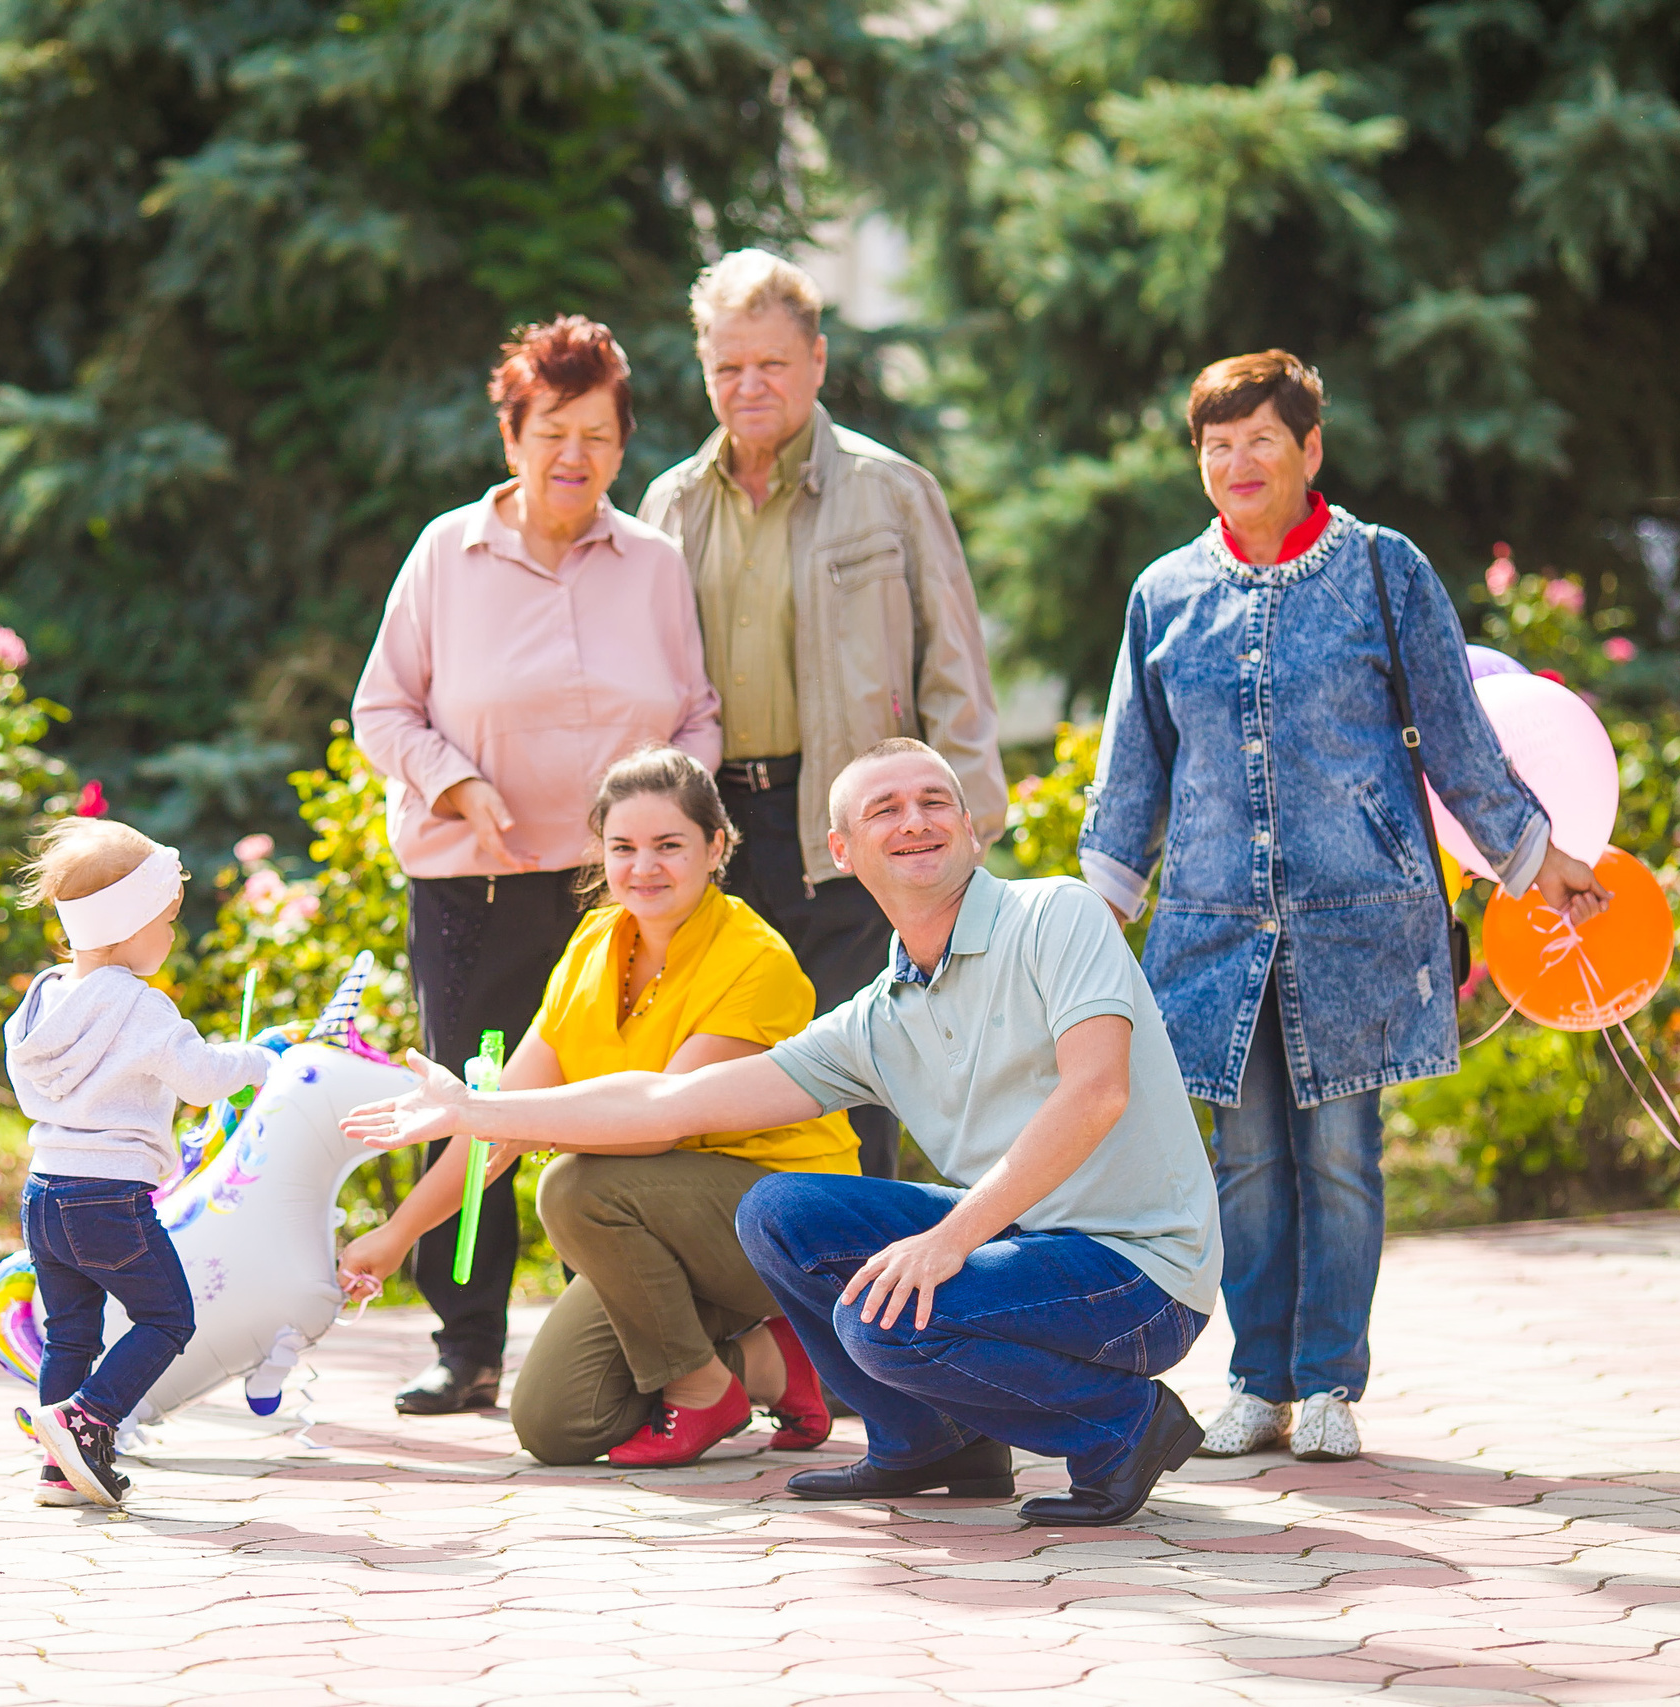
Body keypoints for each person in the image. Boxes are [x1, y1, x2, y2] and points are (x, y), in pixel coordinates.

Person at [345, 741, 1223, 1530]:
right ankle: (927, 1444)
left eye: (934, 800)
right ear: (842, 851)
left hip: (1138, 1275)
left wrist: (948, 1240)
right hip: (1025, 1251)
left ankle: (1123, 1425)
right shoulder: (880, 1018)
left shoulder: (1054, 916)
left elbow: (1098, 1093)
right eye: (884, 809)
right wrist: (476, 1112)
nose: (914, 820)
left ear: (972, 826)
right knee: (778, 1211)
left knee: (881, 1320)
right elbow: (667, 1102)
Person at [1079, 350, 1608, 1465]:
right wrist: (1094, 909)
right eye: (1216, 447)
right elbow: (1134, 769)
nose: (1237, 464)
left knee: (1338, 1159)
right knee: (1246, 1165)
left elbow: (1458, 733)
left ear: (1308, 450)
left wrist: (1535, 857)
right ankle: (1254, 1383)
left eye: (1260, 441)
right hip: (1215, 934)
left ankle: (1328, 1383)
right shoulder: (1164, 594)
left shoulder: (1382, 569)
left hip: (1358, 924)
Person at [352, 316, 722, 1417]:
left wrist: (676, 826)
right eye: (553, 431)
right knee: (477, 1107)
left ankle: (612, 1341)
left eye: (599, 435)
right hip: (476, 884)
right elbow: (383, 709)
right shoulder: (446, 555)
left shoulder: (652, 563)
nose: (576, 456)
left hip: (624, 894)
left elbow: (697, 716)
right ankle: (466, 1344)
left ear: (623, 444)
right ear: (511, 435)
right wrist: (458, 783)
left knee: (614, 1112)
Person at [335, 748, 855, 1467]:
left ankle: (703, 1386)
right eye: (624, 847)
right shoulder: (592, 944)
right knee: (557, 1421)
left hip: (782, 1225)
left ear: (716, 845)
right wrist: (394, 1235)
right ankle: (771, 1365)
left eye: (669, 845)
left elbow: (656, 1124)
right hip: (664, 1228)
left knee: (576, 1183)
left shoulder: (755, 960)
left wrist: (484, 1114)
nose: (644, 867)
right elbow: (503, 1116)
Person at [637, 250, 1008, 1180]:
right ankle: (757, 1314)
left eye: (771, 363)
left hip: (851, 830)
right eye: (728, 367)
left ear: (816, 361)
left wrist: (962, 830)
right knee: (728, 1081)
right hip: (719, 828)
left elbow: (956, 674)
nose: (749, 385)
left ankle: (862, 1316)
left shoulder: (893, 492)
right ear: (705, 371)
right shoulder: (670, 506)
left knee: (861, 1084)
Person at [3, 818, 278, 1509]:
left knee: (70, 1331)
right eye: (166, 921)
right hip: (107, 1200)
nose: (171, 936)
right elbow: (204, 1076)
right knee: (167, 1317)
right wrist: (259, 1060)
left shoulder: (42, 1000)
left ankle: (61, 1469)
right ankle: (87, 1418)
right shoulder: (140, 1005)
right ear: (128, 925)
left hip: (44, 1193)